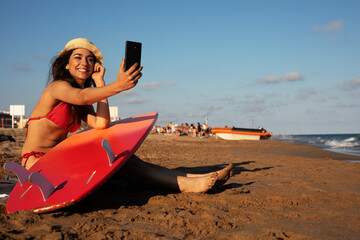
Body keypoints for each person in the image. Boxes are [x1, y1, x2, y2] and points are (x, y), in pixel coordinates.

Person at [21, 38, 233, 193]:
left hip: (60, 157)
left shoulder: (79, 103)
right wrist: (118, 86)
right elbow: (84, 95)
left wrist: (102, 83)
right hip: (36, 164)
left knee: (122, 157)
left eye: (89, 59)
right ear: (66, 64)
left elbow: (101, 123)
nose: (84, 62)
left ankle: (190, 178)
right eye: (77, 57)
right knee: (111, 159)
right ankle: (184, 184)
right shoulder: (57, 87)